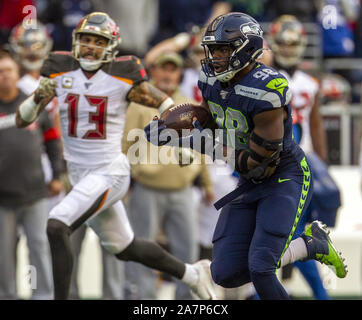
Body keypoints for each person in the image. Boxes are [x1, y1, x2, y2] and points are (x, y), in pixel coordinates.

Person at [145, 12, 347, 300]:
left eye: (223, 49)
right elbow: (210, 117)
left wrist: (192, 141)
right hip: (248, 180)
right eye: (212, 49)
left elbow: (261, 163)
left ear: (246, 49)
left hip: (282, 176)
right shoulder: (212, 80)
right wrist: (171, 123)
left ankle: (308, 246)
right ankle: (309, 244)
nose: (214, 56)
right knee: (225, 273)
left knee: (262, 269)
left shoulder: (267, 90)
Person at [15, 12, 216, 300]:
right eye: (85, 40)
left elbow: (165, 101)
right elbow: (23, 121)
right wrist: (37, 97)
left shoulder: (122, 75)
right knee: (125, 247)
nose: (89, 47)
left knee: (57, 223)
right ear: (75, 41)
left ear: (110, 46)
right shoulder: (59, 70)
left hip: (109, 171)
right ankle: (192, 273)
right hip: (79, 174)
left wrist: (180, 137)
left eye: (98, 42)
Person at [122, 51, 214, 299]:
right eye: (163, 68)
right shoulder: (140, 103)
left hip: (182, 188)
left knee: (187, 251)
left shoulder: (187, 104)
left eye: (172, 69)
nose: (167, 74)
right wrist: (124, 179)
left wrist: (206, 182)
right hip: (147, 187)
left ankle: (185, 299)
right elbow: (125, 143)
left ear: (179, 74)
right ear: (153, 71)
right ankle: (144, 299)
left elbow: (200, 146)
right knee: (141, 248)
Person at [268, 15, 343, 300]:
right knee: (289, 235)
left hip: (299, 167)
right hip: (277, 163)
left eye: (293, 43)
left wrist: (324, 167)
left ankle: (317, 294)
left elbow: (314, 126)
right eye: (283, 43)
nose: (287, 48)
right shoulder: (265, 77)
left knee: (292, 233)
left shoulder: (310, 83)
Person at [0, 50, 63, 299]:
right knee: (4, 253)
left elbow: (52, 141)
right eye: (0, 72)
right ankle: (7, 294)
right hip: (2, 199)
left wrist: (58, 175)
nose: (5, 76)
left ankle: (42, 294)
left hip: (35, 193)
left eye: (9, 71)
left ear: (18, 74)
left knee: (38, 249)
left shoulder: (33, 103)